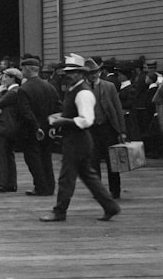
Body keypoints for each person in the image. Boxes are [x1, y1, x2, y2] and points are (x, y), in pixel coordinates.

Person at [40, 53, 120, 223]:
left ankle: (59, 211)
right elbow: (73, 114)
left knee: (66, 177)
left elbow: (86, 120)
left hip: (78, 141)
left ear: (81, 73)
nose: (67, 75)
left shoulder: (83, 93)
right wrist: (61, 119)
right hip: (76, 140)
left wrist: (62, 121)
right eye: (67, 72)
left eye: (72, 72)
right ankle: (110, 206)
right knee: (89, 176)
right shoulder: (73, 90)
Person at [17, 56, 61, 196]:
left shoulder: (24, 89)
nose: (21, 71)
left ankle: (41, 187)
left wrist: (36, 128)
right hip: (48, 130)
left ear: (28, 69)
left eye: (23, 68)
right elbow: (58, 108)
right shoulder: (50, 87)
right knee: (46, 158)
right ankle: (50, 186)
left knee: (33, 159)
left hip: (31, 131)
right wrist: (53, 126)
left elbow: (26, 112)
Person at [86, 57, 127, 200]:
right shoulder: (82, 88)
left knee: (112, 161)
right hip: (90, 129)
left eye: (96, 72)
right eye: (90, 73)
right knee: (93, 161)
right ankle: (98, 191)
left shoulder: (108, 86)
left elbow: (117, 108)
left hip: (108, 128)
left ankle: (115, 191)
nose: (93, 75)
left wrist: (122, 131)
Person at [0, 67, 24, 193]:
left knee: (0, 155)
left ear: (13, 79)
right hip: (11, 126)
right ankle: (11, 183)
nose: (3, 79)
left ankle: (1, 184)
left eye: (6, 76)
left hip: (5, 126)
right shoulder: (13, 91)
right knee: (8, 155)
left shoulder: (12, 92)